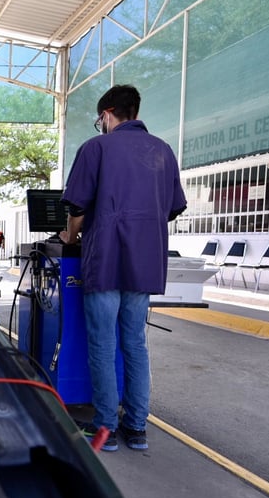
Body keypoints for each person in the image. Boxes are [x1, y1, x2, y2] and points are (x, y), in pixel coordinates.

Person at [59, 85, 186, 451]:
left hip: (106, 259)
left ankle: (106, 430)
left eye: (100, 118)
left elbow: (77, 208)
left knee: (102, 344)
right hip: (144, 263)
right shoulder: (163, 151)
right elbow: (171, 208)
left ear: (108, 113)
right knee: (135, 343)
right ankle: (136, 429)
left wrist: (69, 236)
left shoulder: (96, 148)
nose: (100, 123)